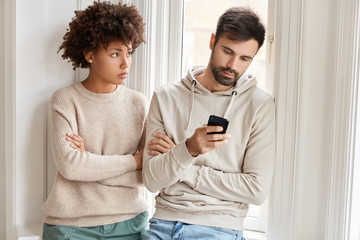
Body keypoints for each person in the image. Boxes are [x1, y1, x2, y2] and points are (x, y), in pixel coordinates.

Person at [143, 6, 276, 240]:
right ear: (212, 41)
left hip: (219, 228)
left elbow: (256, 190)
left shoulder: (259, 106)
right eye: (227, 51)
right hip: (162, 223)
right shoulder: (165, 97)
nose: (233, 65)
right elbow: (152, 179)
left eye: (245, 58)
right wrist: (189, 148)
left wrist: (182, 159)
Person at [42, 2, 151, 239]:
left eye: (128, 52)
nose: (126, 63)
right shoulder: (65, 100)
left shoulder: (139, 104)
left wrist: (90, 162)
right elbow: (71, 166)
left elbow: (149, 175)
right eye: (115, 54)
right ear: (90, 55)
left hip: (130, 222)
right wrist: (133, 161)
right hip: (70, 226)